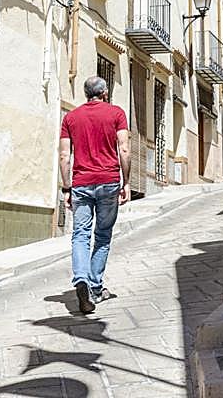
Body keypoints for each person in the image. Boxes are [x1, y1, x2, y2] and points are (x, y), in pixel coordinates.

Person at [59, 76, 131, 315]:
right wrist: (126, 182)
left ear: (85, 93)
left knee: (80, 235)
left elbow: (64, 157)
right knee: (102, 236)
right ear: (105, 92)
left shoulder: (71, 118)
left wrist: (67, 187)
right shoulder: (116, 113)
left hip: (81, 184)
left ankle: (81, 279)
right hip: (109, 182)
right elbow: (124, 149)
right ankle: (96, 288)